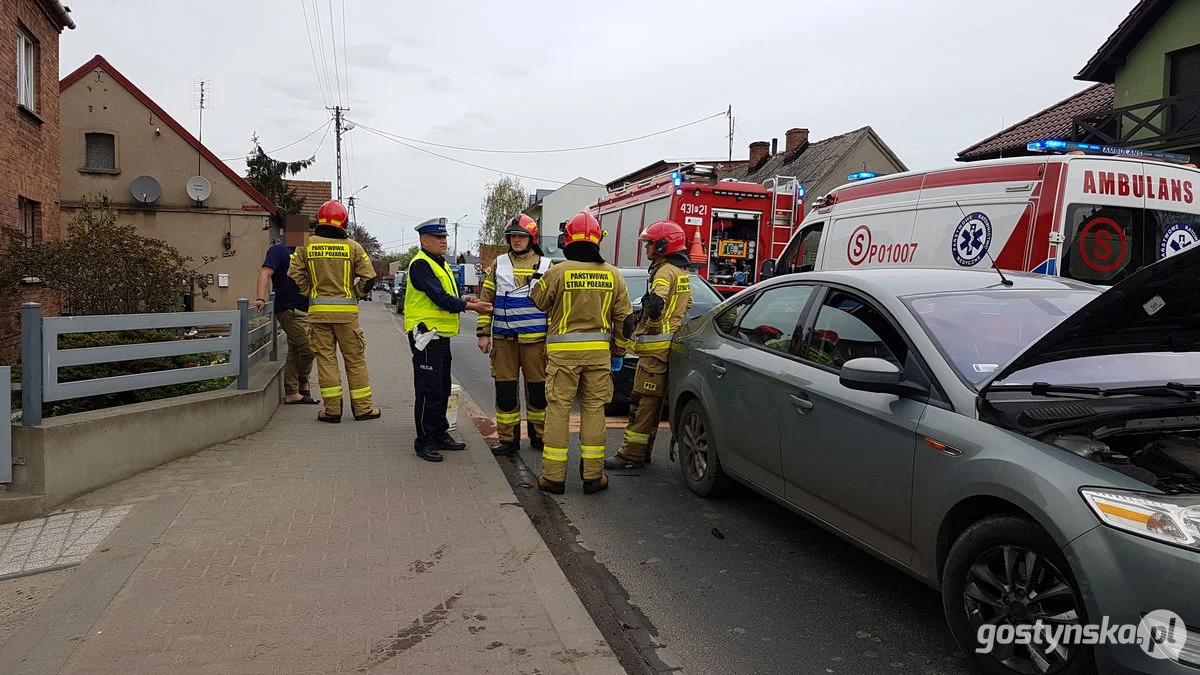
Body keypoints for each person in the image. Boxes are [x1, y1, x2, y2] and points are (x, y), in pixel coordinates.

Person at [530, 212, 632, 494]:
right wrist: (619, 350)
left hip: (562, 358)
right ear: (597, 240)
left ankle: (553, 477)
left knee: (559, 410)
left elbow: (537, 301)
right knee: (594, 411)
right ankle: (593, 476)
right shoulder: (613, 274)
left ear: (568, 240)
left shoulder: (557, 272)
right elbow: (625, 319)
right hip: (599, 357)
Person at [405, 217, 493, 462]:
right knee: (428, 390)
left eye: (444, 237)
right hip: (425, 337)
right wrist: (473, 309)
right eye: (438, 238)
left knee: (442, 388)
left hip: (439, 336)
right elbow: (440, 298)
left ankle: (440, 433)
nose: (444, 241)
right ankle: (424, 441)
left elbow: (449, 295)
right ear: (424, 240)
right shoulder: (420, 265)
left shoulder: (439, 263)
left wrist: (467, 300)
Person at [606, 220, 693, 470]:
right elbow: (686, 306)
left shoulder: (664, 272)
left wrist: (650, 321)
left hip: (654, 355)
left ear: (663, 245)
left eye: (650, 244)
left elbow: (657, 302)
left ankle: (630, 455)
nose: (647, 250)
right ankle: (642, 452)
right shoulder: (681, 272)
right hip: (666, 353)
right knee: (653, 406)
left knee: (642, 404)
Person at [287, 199, 381, 423]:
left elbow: (293, 278)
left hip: (318, 315)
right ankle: (363, 410)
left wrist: (309, 291)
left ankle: (332, 411)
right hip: (347, 316)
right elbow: (369, 279)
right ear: (344, 222)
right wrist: (355, 293)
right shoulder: (353, 247)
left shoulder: (305, 245)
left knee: (326, 361)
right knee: (355, 361)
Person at [477, 214, 552, 456]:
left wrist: (553, 340)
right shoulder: (499, 264)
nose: (517, 240)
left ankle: (539, 435)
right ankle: (508, 439)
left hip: (536, 342)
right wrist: (482, 334)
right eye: (513, 236)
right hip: (504, 340)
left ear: (532, 239)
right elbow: (485, 301)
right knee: (506, 391)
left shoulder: (546, 265)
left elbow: (554, 306)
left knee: (538, 392)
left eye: (521, 236)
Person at [253, 233, 316, 405]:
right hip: (288, 309)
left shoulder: (307, 251)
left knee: (295, 350)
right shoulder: (279, 250)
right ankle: (303, 382)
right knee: (309, 349)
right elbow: (265, 273)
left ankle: (292, 392)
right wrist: (260, 298)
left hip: (306, 309)